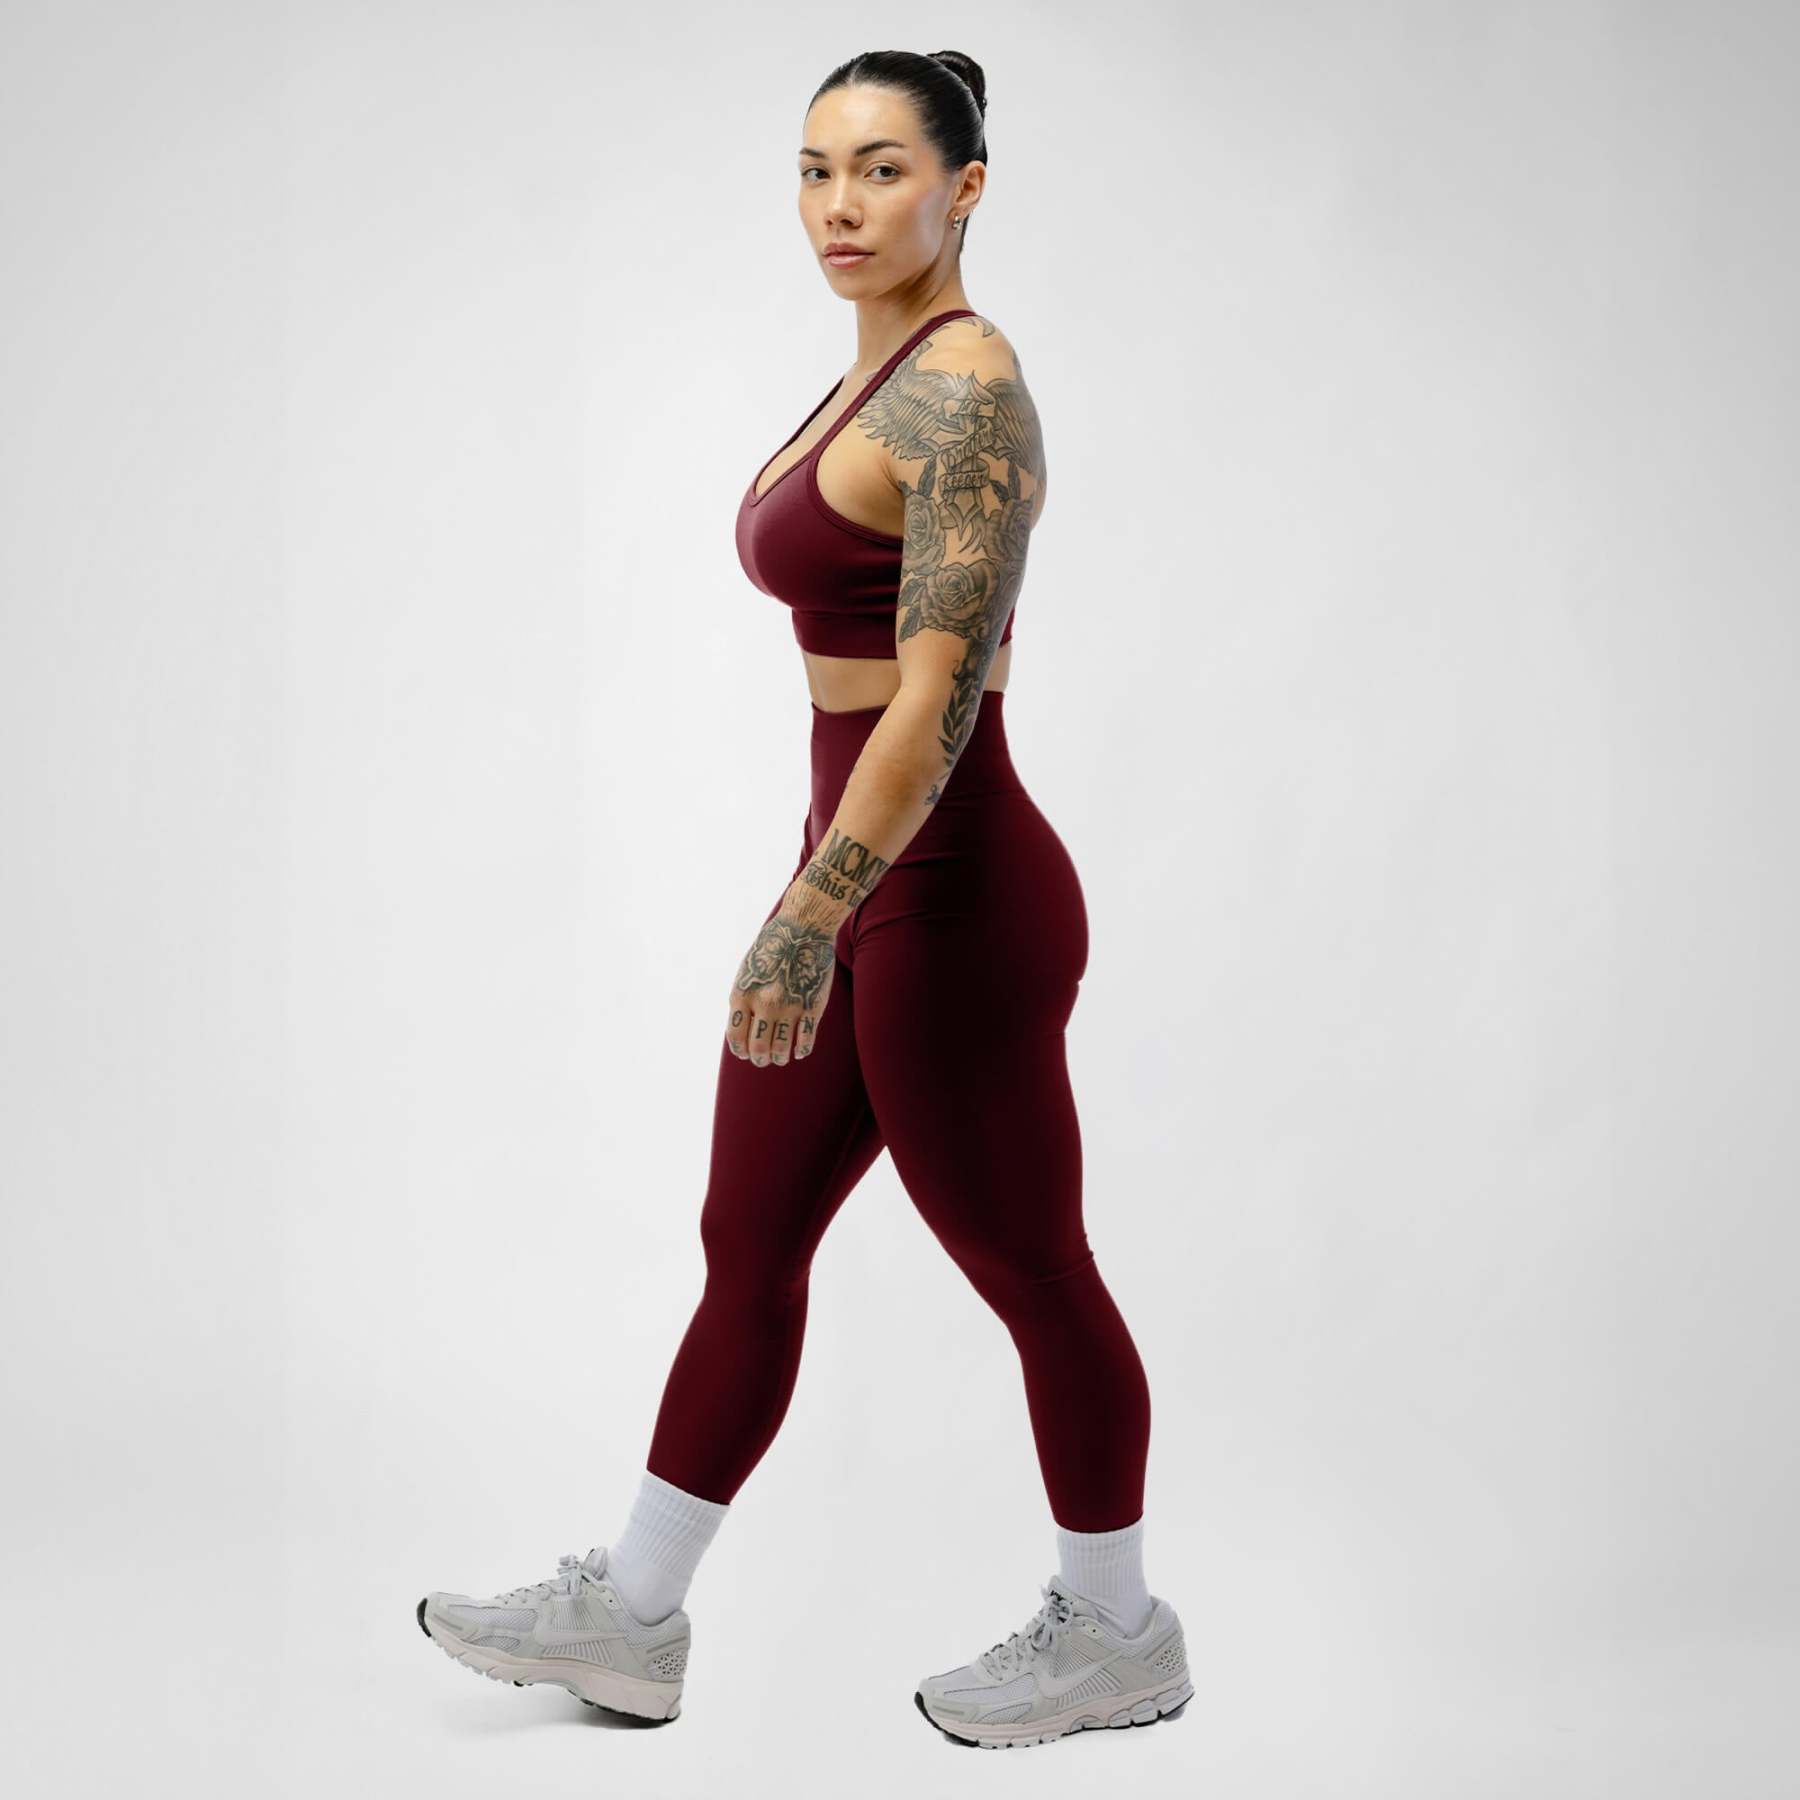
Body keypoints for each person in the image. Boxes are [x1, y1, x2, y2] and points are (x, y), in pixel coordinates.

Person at [418, 47, 1193, 1750]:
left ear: (965, 190)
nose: (840, 206)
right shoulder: (871, 376)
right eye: (815, 169)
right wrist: (821, 896)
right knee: (749, 1244)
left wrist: (812, 908)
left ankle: (1120, 1630)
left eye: (883, 170)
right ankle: (632, 1619)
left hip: (951, 897)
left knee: (1031, 1265)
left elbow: (936, 703)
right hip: (862, 885)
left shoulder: (964, 394)